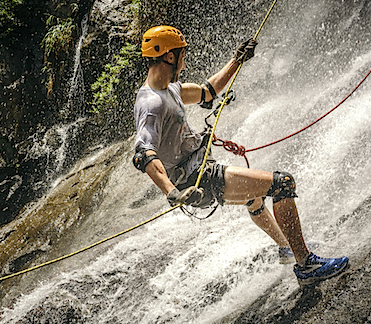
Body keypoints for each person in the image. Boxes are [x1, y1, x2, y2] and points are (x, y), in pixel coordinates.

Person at [132, 25, 349, 286]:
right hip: (196, 181)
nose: (185, 60)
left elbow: (208, 92)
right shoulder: (151, 102)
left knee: (255, 196)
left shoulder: (171, 89)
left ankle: (286, 248)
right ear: (169, 56)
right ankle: (306, 265)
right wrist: (172, 192)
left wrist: (237, 60)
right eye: (182, 54)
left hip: (199, 172)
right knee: (282, 184)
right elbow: (144, 153)